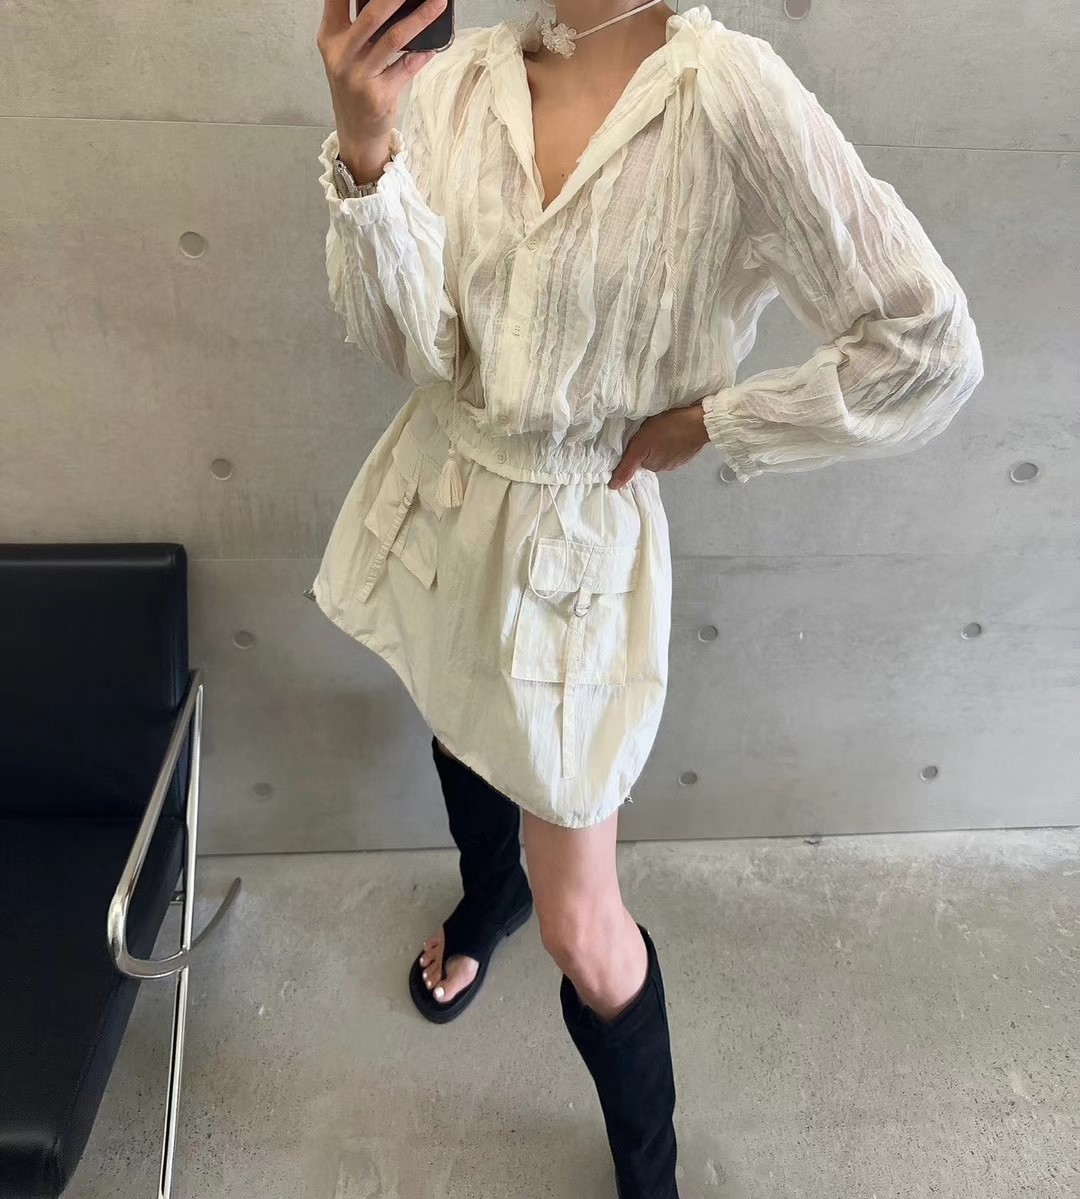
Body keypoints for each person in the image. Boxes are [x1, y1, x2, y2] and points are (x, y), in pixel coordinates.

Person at [310, 0, 984, 1193]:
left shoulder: (726, 96)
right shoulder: (464, 80)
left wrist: (715, 420)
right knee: (457, 721)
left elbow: (926, 346)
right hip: (443, 496)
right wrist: (368, 148)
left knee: (585, 925)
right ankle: (489, 895)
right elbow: (411, 346)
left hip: (576, 547)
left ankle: (649, 1169)